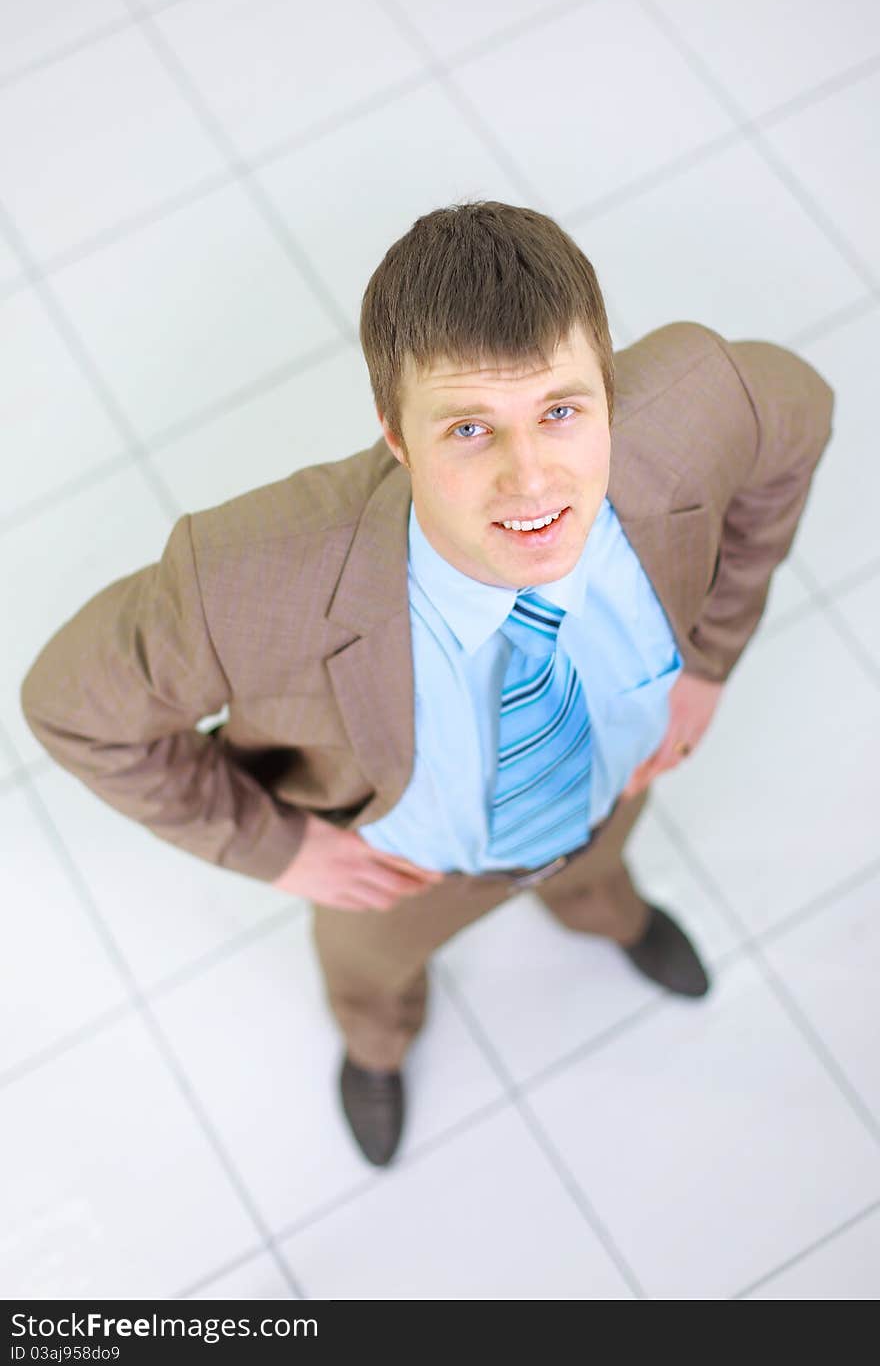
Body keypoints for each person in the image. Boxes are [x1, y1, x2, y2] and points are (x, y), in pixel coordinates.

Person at [20, 201, 835, 1168]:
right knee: (372, 978)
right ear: (396, 436)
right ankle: (377, 1045)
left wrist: (711, 657)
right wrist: (275, 847)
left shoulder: (708, 400)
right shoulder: (243, 582)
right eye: (469, 430)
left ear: (609, 394)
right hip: (398, 870)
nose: (532, 483)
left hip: (606, 783)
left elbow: (799, 421)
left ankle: (601, 909)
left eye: (561, 412)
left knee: (599, 863)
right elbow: (72, 707)